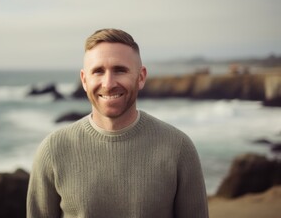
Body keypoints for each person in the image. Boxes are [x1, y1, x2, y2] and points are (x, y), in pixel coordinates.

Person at [27, 28, 209, 218]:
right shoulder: (52, 151)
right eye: (98, 71)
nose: (108, 83)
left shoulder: (178, 148)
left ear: (141, 77)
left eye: (120, 70)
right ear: (84, 80)